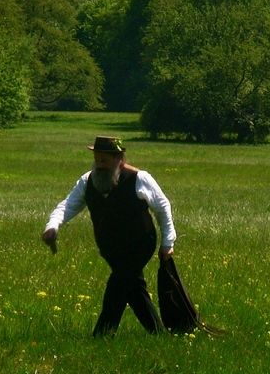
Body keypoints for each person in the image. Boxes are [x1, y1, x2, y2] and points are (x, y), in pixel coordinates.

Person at [42, 136, 176, 337]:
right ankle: (158, 333)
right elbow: (68, 205)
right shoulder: (87, 181)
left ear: (118, 159)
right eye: (97, 160)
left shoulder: (139, 178)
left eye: (104, 160)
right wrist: (53, 226)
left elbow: (162, 207)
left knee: (117, 285)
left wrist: (168, 242)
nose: (99, 165)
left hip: (140, 244)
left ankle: (102, 335)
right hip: (111, 249)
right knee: (133, 287)